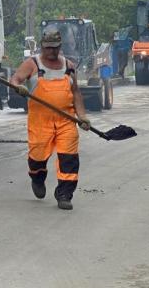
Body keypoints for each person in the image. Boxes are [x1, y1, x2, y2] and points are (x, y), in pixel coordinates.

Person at [9, 28, 90, 210]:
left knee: (69, 158)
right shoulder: (33, 64)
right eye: (47, 48)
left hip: (66, 120)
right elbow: (15, 78)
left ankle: (64, 195)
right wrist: (18, 87)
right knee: (37, 157)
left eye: (54, 48)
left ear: (59, 47)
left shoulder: (69, 66)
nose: (51, 51)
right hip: (40, 121)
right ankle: (37, 178)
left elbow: (76, 93)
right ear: (42, 47)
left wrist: (82, 116)